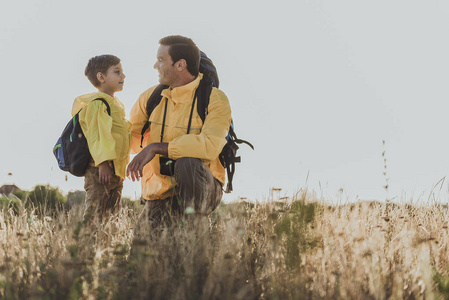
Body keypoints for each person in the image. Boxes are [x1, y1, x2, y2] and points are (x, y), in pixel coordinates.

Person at [127, 35, 231, 225]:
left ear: (180, 65)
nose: (155, 66)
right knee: (141, 254)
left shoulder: (215, 99)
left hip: (205, 189)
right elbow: (131, 141)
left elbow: (210, 146)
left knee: (187, 163)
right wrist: (98, 127)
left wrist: (157, 147)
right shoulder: (151, 97)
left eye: (160, 60)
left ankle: (194, 239)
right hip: (160, 194)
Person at [71, 54, 131, 222]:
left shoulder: (114, 104)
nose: (123, 76)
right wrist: (103, 163)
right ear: (101, 77)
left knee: (111, 219)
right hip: (100, 171)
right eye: (117, 72)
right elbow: (97, 135)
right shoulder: (98, 104)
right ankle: (86, 247)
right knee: (94, 217)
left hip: (115, 171)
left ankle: (107, 248)